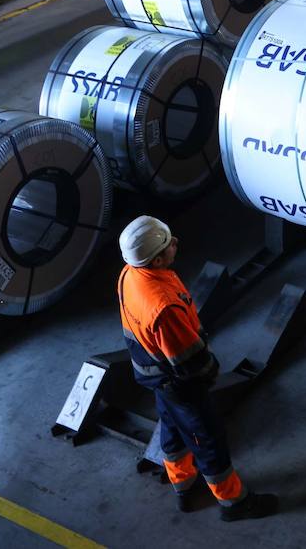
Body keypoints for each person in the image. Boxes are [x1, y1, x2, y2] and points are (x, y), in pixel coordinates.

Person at [117, 216, 277, 519]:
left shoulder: (129, 274)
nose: (176, 242)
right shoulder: (162, 307)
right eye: (168, 243)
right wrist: (209, 372)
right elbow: (189, 359)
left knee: (173, 427)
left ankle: (183, 484)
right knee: (207, 438)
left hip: (154, 374)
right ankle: (233, 502)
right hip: (179, 381)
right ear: (158, 258)